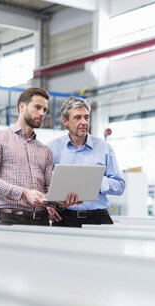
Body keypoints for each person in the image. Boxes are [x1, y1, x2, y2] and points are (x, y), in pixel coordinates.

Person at [0, 87, 78, 226]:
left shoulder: (45, 151)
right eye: (37, 107)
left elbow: (48, 191)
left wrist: (59, 203)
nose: (42, 113)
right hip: (10, 219)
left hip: (41, 221)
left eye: (45, 110)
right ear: (22, 106)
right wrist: (24, 193)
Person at [47, 96, 125, 227]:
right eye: (77, 117)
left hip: (99, 218)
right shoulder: (52, 149)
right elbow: (42, 185)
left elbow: (120, 186)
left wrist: (95, 182)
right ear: (65, 121)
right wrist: (48, 205)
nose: (84, 122)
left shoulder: (104, 148)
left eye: (86, 117)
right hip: (65, 219)